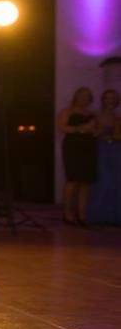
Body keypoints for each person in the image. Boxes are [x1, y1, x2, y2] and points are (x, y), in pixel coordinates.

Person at [57, 86, 98, 225]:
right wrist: (80, 129)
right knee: (72, 180)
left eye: (87, 96)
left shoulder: (92, 113)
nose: (84, 98)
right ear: (76, 97)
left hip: (88, 147)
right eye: (81, 95)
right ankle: (67, 214)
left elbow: (96, 130)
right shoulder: (67, 111)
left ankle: (82, 215)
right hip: (73, 147)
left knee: (85, 182)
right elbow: (62, 127)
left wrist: (93, 130)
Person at [87, 89, 121, 225]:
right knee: (102, 180)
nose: (110, 101)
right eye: (107, 98)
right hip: (101, 150)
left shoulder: (117, 116)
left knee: (116, 181)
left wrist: (113, 137)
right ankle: (99, 216)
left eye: (113, 98)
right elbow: (91, 132)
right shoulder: (96, 115)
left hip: (116, 150)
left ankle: (114, 216)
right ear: (103, 100)